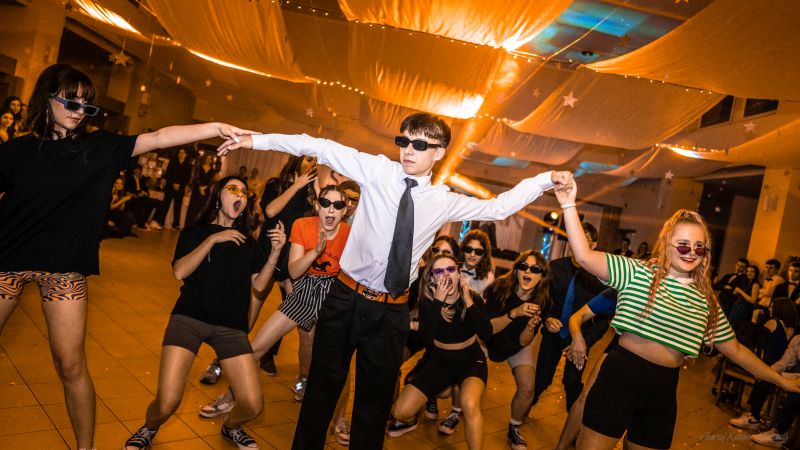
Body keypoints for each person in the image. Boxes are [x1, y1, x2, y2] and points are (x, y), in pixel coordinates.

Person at [216, 112, 573, 449]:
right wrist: (253, 140)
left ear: (439, 152)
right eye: (404, 141)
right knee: (320, 393)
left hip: (389, 313)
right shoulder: (377, 170)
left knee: (373, 407)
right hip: (344, 298)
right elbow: (319, 146)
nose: (408, 150)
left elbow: (498, 207)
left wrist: (545, 180)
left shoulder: (442, 200)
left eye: (419, 144)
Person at [0, 63, 253, 450]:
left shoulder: (98, 147)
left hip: (63, 271)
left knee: (71, 365)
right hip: (7, 263)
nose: (78, 111)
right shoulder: (15, 151)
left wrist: (214, 127)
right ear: (46, 98)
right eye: (70, 101)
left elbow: (160, 137)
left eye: (86, 106)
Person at [554, 176, 800, 450]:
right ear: (667, 243)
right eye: (683, 245)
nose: (690, 252)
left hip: (662, 390)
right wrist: (568, 204)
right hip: (619, 377)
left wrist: (779, 380)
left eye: (699, 247)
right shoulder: (637, 272)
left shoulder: (707, 301)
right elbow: (585, 256)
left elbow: (737, 351)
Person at [123, 176, 283, 450]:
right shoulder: (196, 231)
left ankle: (231, 427)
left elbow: (258, 285)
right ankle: (149, 427)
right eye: (233, 189)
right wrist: (212, 240)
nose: (240, 195)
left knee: (252, 404)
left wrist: (275, 254)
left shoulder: (249, 243)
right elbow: (179, 271)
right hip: (190, 318)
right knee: (167, 402)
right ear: (218, 195)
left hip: (231, 327)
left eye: (244, 193)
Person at [199, 185, 350, 417]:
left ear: (344, 210)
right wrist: (315, 252)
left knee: (336, 362)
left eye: (338, 205)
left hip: (335, 293)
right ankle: (230, 397)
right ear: (317, 205)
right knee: (258, 346)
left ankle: (338, 417)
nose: (331, 209)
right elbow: (294, 271)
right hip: (305, 287)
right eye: (325, 203)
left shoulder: (350, 234)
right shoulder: (302, 225)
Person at [198, 154, 318, 384]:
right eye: (309, 159)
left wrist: (312, 187)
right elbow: (271, 211)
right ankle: (219, 363)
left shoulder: (311, 194)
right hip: (266, 256)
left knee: (303, 323)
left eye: (316, 161)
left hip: (291, 261)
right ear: (297, 160)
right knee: (246, 317)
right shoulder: (276, 184)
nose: (313, 164)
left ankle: (300, 376)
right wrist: (297, 185)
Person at [387, 253, 493, 449]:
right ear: (432, 278)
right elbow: (426, 339)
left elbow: (487, 334)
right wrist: (438, 302)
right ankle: (418, 415)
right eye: (439, 271)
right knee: (400, 412)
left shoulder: (473, 298)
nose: (446, 275)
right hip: (439, 362)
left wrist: (468, 300)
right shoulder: (428, 302)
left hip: (470, 361)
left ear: (458, 273)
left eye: (450, 269)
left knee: (470, 404)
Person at [532, 222, 609, 415]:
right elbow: (542, 301)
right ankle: (520, 414)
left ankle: (574, 427)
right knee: (540, 380)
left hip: (580, 339)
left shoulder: (601, 277)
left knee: (572, 383)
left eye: (585, 241)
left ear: (594, 245)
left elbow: (603, 320)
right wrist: (547, 319)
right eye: (576, 240)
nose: (578, 245)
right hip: (553, 335)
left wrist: (583, 341)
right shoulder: (555, 268)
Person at [484, 250, 551, 450]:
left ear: (542, 276)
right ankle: (456, 411)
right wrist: (515, 313)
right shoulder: (499, 287)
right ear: (517, 270)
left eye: (535, 269)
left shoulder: (543, 301)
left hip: (515, 346)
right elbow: (488, 329)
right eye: (524, 266)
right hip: (486, 341)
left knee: (528, 387)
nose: (528, 271)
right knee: (464, 374)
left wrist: (530, 327)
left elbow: (524, 341)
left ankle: (514, 427)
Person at [431, 228, 494, 435]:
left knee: (464, 378)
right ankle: (430, 396)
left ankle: (455, 413)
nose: (473, 254)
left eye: (479, 251)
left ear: (485, 254)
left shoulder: (488, 278)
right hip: (444, 328)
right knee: (440, 381)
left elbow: (482, 314)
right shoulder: (448, 266)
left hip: (471, 329)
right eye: (468, 249)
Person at [555, 288, 618, 450]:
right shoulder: (627, 287)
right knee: (585, 398)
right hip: (619, 351)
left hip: (658, 372)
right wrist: (578, 340)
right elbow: (578, 316)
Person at [150, 148, 192, 230]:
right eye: (180, 152)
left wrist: (180, 185)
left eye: (183, 153)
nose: (181, 154)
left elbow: (187, 178)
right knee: (165, 205)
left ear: (186, 154)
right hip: (170, 186)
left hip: (180, 188)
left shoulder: (188, 165)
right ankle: (160, 222)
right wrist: (173, 183)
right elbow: (168, 174)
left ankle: (176, 225)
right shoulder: (173, 162)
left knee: (177, 207)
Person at [186, 154, 216, 224]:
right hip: (196, 190)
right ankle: (189, 225)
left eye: (210, 159)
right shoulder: (198, 167)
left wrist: (204, 188)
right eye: (207, 158)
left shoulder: (213, 171)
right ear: (205, 159)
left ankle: (198, 226)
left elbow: (211, 181)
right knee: (193, 208)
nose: (208, 160)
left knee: (202, 209)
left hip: (206, 191)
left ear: (211, 161)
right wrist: (200, 187)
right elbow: (196, 178)